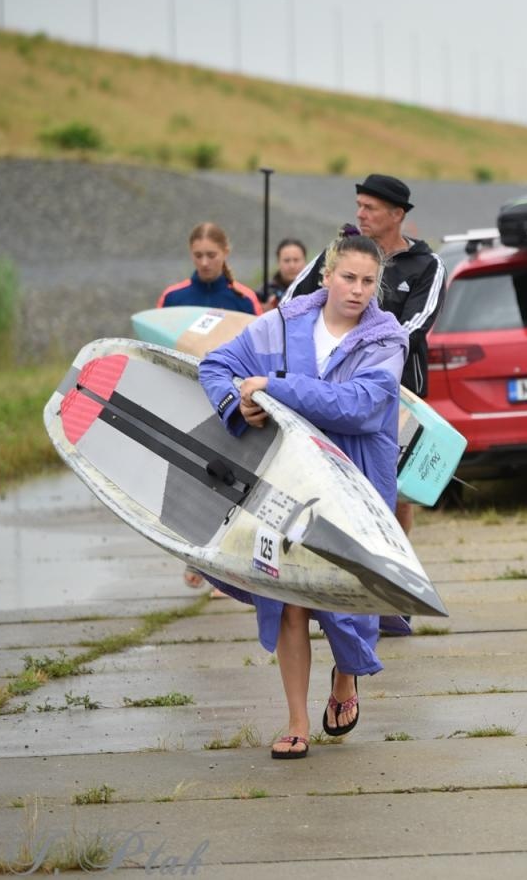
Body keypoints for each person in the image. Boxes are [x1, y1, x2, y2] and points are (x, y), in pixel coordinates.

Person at [198, 232, 408, 760]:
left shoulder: (387, 339)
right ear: (326, 276)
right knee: (287, 593)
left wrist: (272, 387)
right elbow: (215, 366)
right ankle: (295, 721)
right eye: (348, 278)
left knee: (345, 601)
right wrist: (235, 406)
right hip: (284, 483)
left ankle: (346, 678)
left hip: (354, 488)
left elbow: (358, 405)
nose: (357, 290)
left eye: (367, 281)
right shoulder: (280, 324)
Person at [288, 173, 444, 635]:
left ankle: (390, 589)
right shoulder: (338, 253)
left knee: (393, 493)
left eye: (371, 208)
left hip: (398, 398)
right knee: (333, 488)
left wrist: (365, 348)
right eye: (358, 205)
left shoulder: (427, 264)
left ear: (397, 215)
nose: (360, 215)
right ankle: (339, 591)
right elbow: (296, 300)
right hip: (329, 392)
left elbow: (417, 324)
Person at [157, 222, 263, 315]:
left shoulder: (245, 298)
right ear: (191, 254)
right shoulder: (172, 297)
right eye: (198, 256)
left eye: (211, 255)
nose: (204, 263)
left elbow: (259, 337)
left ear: (225, 253)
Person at [257, 238, 308, 310]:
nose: (292, 266)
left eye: (296, 260)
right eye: (286, 260)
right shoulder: (264, 292)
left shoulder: (315, 290)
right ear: (278, 263)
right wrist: (260, 310)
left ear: (305, 262)